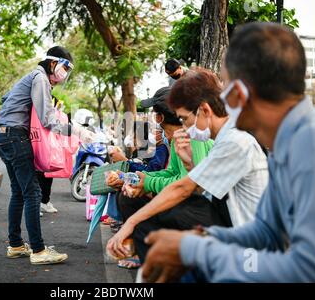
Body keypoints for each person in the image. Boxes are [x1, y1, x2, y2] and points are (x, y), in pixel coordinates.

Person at [142, 22, 315, 283]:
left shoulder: (312, 146)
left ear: (239, 93)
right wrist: (201, 240)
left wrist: (200, 251)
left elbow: (310, 269)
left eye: (224, 89)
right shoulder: (286, 145)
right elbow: (267, 231)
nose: (220, 102)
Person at [107, 68, 269, 263]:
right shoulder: (226, 138)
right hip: (230, 225)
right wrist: (190, 164)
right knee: (160, 211)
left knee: (170, 212)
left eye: (184, 119)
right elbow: (201, 187)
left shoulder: (235, 142)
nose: (183, 126)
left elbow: (185, 188)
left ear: (205, 110)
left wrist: (131, 223)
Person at [0, 46, 92, 265]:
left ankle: (16, 245)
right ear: (52, 63)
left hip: (3, 134)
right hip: (15, 136)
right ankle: (38, 251)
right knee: (32, 192)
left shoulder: (31, 77)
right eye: (65, 67)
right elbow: (48, 119)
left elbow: (6, 98)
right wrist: (76, 131)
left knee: (19, 192)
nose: (65, 73)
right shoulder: (40, 79)